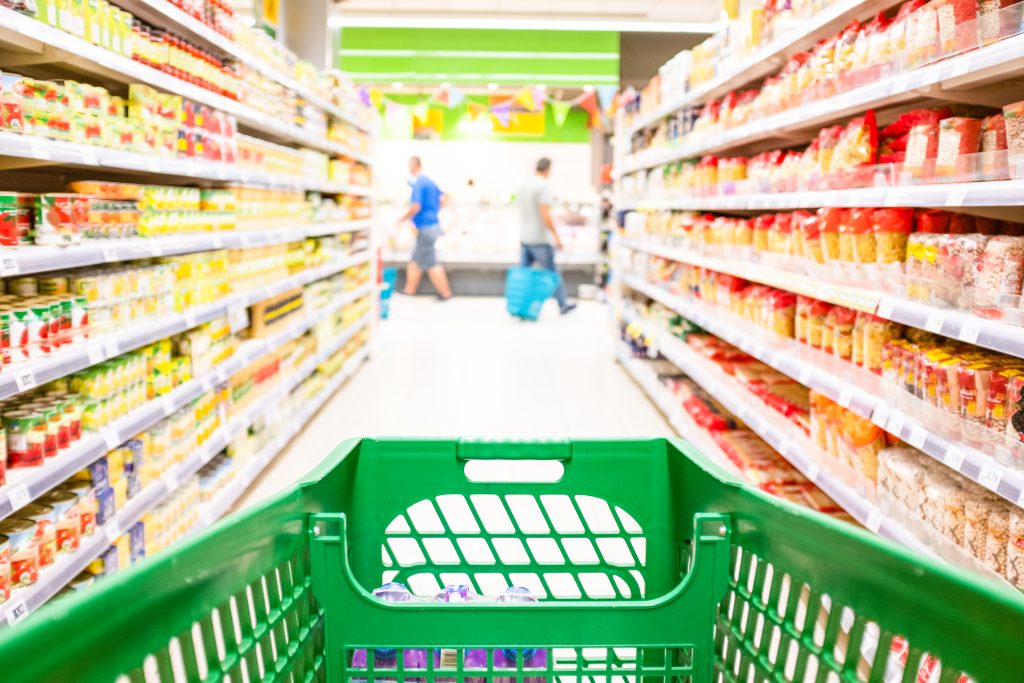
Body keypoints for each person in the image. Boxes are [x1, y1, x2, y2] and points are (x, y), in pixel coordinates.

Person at [519, 157, 575, 315]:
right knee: (552, 272)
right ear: (547, 169)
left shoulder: (524, 184)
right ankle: (563, 304)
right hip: (540, 239)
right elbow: (545, 213)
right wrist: (556, 236)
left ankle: (520, 303)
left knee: (524, 275)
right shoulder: (543, 185)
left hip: (524, 237)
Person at [397, 156, 453, 300]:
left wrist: (401, 220)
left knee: (430, 261)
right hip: (432, 225)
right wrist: (433, 211)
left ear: (414, 166)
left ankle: (445, 293)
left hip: (425, 227)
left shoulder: (419, 183)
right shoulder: (430, 182)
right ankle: (410, 289)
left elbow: (416, 206)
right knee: (415, 258)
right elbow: (443, 200)